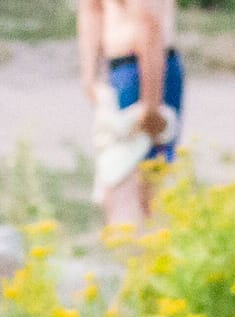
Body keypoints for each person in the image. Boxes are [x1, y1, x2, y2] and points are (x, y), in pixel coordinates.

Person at [78, 0, 180, 228]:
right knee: (118, 180)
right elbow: (91, 8)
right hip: (121, 69)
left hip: (144, 69)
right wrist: (89, 76)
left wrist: (151, 103)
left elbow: (149, 18)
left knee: (141, 185)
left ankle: (145, 257)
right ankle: (135, 257)